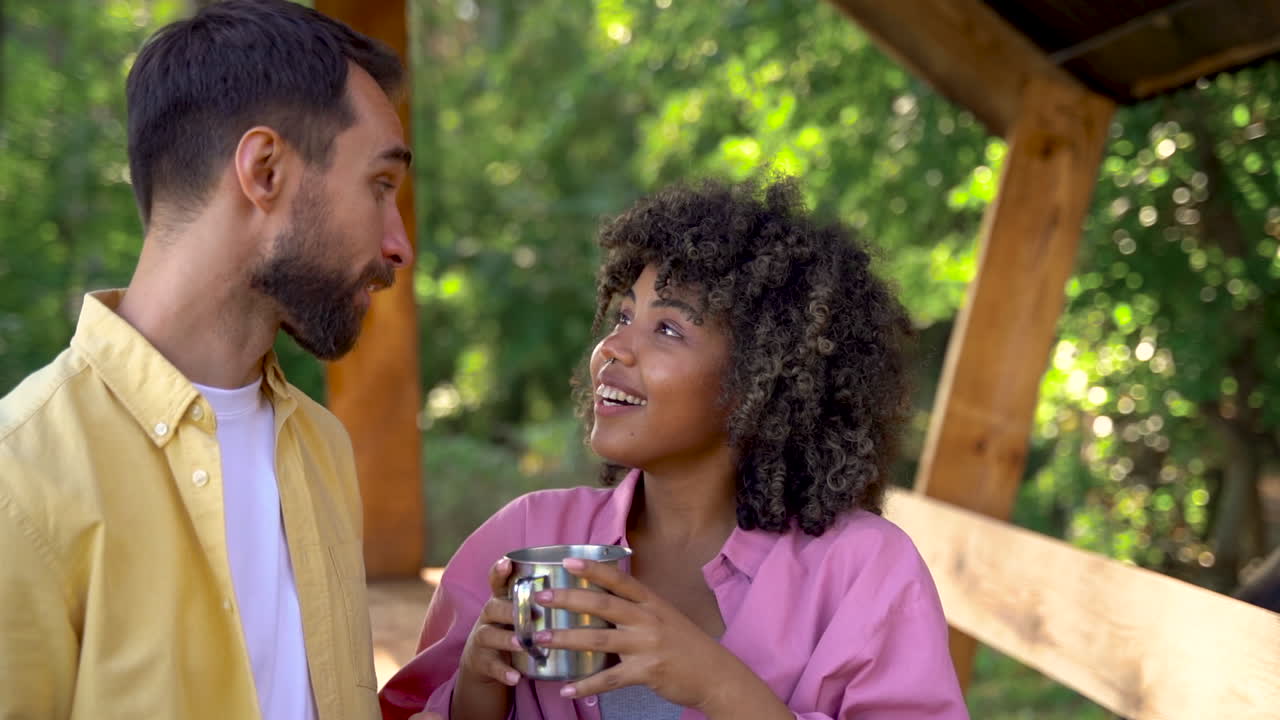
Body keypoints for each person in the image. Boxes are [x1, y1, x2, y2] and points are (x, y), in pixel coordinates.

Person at [380, 178, 968, 720]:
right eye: (623, 315)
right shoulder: (526, 534)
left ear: (763, 380)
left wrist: (718, 686)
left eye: (668, 329)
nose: (613, 347)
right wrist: (475, 695)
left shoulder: (863, 571)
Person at [0, 2, 414, 718]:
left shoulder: (322, 448)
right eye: (380, 186)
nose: (399, 245)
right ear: (264, 169)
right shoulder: (20, 479)